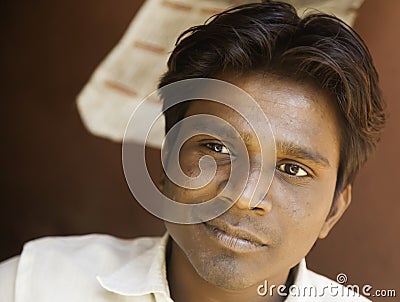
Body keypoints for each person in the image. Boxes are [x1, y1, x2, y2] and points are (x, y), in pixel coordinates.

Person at [0, 1, 386, 301]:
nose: (242, 197)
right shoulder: (34, 285)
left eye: (293, 169)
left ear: (333, 210)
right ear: (168, 162)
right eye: (217, 147)